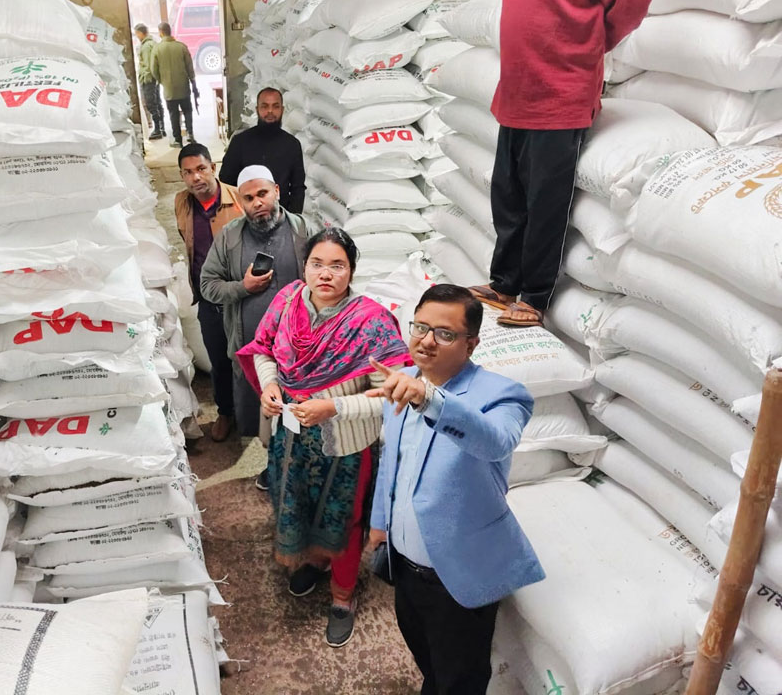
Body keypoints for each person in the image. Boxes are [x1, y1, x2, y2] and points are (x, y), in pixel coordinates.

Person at [235, 227, 412, 648]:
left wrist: (334, 407)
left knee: (344, 520)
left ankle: (342, 597)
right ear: (305, 266)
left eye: (338, 265)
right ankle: (312, 563)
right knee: (294, 502)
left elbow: (393, 394)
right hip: (293, 438)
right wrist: (271, 386)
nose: (325, 274)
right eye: (317, 264)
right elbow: (263, 349)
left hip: (345, 444)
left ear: (352, 271)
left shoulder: (370, 322)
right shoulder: (288, 301)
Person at [365, 284, 545, 694]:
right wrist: (379, 525)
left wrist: (432, 400)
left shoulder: (503, 395)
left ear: (471, 344)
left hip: (457, 576)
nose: (427, 341)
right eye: (421, 327)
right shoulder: (404, 378)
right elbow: (391, 460)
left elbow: (495, 440)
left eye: (444, 333)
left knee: (460, 677)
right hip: (405, 567)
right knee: (427, 658)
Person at [471, 0, 651, 327]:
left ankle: (535, 295)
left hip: (563, 84)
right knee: (508, 191)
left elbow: (632, 0)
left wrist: (586, 44)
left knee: (545, 199)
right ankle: (504, 282)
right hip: (518, 82)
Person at [199, 165, 313, 487]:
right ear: (241, 202)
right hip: (252, 351)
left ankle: (289, 467)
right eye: (248, 198)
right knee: (264, 414)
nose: (257, 202)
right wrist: (242, 287)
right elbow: (208, 284)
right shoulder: (230, 237)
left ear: (276, 190)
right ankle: (272, 463)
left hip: (298, 350)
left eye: (262, 193)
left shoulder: (302, 230)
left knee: (296, 413)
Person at [173, 143, 243, 443]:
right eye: (188, 172)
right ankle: (225, 412)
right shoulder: (181, 203)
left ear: (212, 167)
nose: (195, 177)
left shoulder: (239, 199)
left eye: (201, 169)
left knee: (248, 359)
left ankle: (252, 414)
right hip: (207, 297)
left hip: (242, 297)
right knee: (218, 358)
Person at [219, 87, 306, 213]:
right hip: (246, 217)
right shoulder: (240, 142)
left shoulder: (292, 145)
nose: (270, 111)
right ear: (257, 110)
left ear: (282, 110)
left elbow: (298, 188)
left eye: (275, 106)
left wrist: (293, 222)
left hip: (281, 218)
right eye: (264, 106)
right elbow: (226, 182)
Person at [151, 22, 199, 149]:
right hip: (183, 86)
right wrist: (193, 82)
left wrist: (162, 81)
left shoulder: (157, 48)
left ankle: (177, 139)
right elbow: (190, 67)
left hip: (168, 88)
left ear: (160, 32)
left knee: (173, 113)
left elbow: (153, 70)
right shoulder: (181, 47)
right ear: (170, 31)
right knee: (187, 110)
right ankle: (190, 134)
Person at [133, 23, 165, 140]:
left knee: (151, 104)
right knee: (157, 102)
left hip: (148, 79)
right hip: (154, 78)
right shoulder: (153, 43)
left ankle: (157, 129)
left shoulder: (146, 46)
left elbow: (147, 65)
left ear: (141, 33)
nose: (137, 36)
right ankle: (162, 128)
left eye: (137, 34)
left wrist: (145, 77)